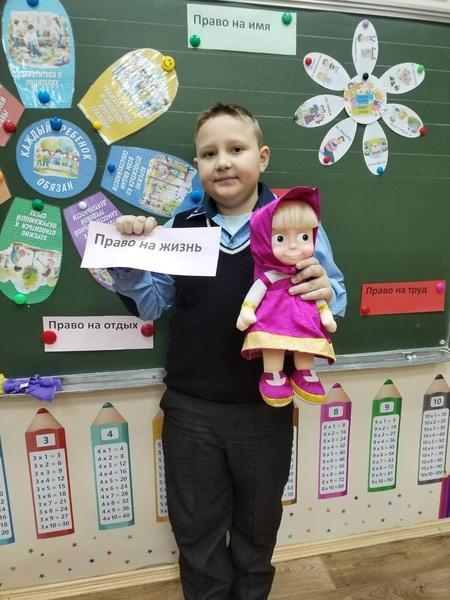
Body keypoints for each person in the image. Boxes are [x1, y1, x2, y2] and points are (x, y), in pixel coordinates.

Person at [109, 103, 346, 600]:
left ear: (262, 157)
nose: (222, 162)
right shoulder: (181, 226)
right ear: (197, 165)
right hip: (191, 408)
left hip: (265, 407)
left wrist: (326, 291)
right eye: (208, 154)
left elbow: (336, 297)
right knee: (197, 533)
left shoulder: (294, 222)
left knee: (257, 530)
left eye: (236, 149)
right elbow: (153, 303)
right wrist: (128, 259)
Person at [236, 186, 336, 408]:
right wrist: (247, 311)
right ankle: (273, 375)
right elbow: (256, 291)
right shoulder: (270, 275)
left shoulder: (309, 272)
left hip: (303, 319)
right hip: (273, 319)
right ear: (264, 241)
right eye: (280, 238)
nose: (293, 246)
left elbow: (326, 293)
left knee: (306, 342)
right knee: (273, 344)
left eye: (304, 237)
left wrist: (326, 312)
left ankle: (305, 373)